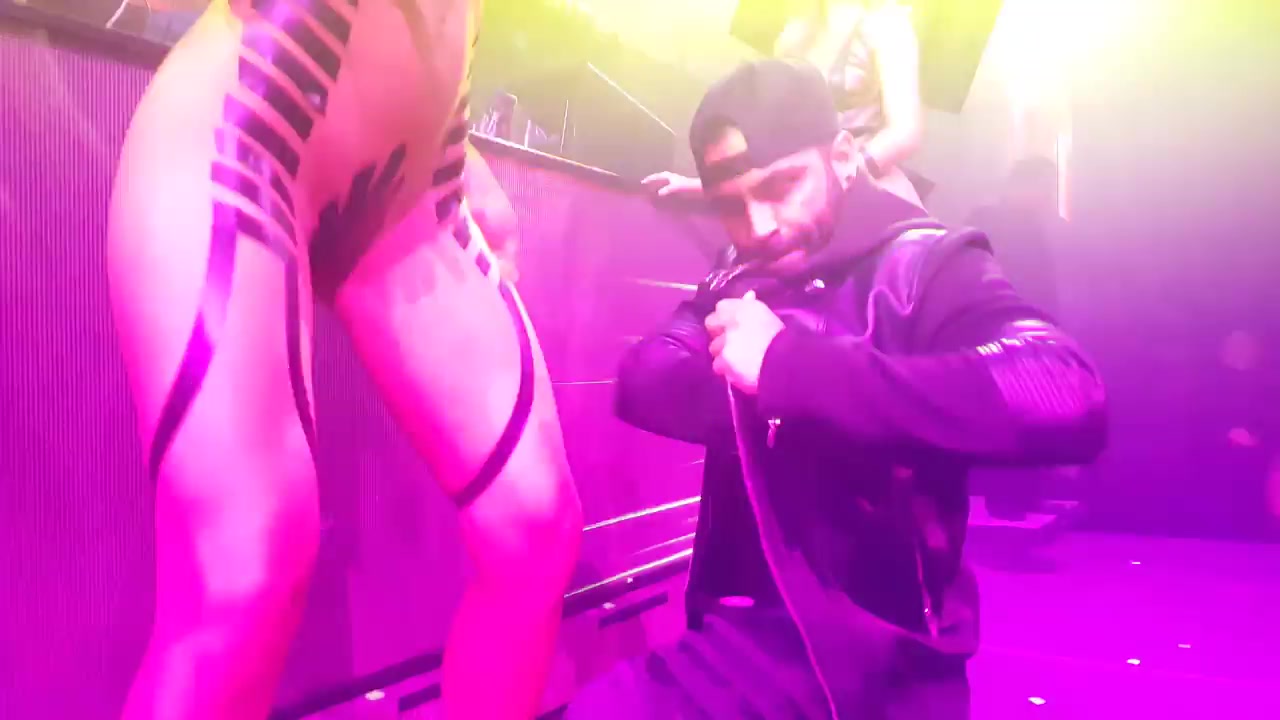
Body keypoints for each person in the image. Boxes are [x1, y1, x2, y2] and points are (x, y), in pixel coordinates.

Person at [566, 59, 1107, 718]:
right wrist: (766, 404)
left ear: (845, 158)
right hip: (742, 646)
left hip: (883, 668)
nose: (759, 226)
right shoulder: (741, 268)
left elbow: (1062, 388)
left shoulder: (923, 263)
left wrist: (788, 369)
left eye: (782, 185)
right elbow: (645, 377)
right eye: (731, 205)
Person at [106, 2, 580, 719]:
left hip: (419, 180)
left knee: (534, 528)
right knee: (245, 569)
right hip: (253, 124)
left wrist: (455, 136)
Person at [644, 0, 926, 207]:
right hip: (804, 194)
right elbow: (779, 150)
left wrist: (838, 179)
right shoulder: (798, 27)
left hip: (871, 193)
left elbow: (904, 134)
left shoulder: (887, 25)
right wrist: (701, 187)